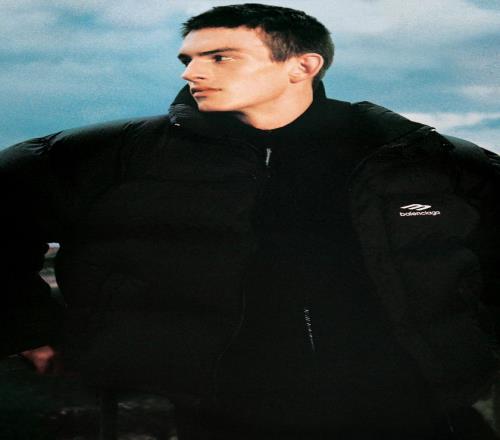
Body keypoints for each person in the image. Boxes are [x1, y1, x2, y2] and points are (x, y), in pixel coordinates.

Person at [1, 3, 499, 439]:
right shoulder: (124, 154)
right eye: (188, 59)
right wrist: (29, 327)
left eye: (219, 57)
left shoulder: (411, 154)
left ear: (302, 66)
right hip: (218, 410)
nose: (191, 73)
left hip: (408, 405)